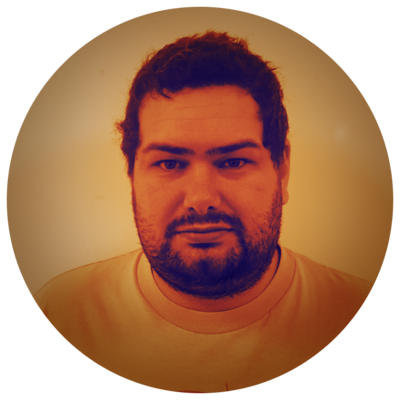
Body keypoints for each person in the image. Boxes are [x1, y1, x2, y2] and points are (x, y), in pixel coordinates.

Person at [34, 31, 372, 393]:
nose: (201, 199)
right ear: (131, 172)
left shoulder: (355, 312)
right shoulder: (59, 316)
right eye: (169, 163)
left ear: (282, 169)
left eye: (233, 161)